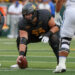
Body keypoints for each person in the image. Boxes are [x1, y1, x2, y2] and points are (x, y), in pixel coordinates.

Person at [11, 3, 60, 68]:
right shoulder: (22, 23)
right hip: (32, 36)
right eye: (25, 15)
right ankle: (22, 59)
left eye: (28, 14)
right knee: (19, 39)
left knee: (54, 38)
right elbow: (23, 39)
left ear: (34, 13)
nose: (26, 16)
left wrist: (47, 35)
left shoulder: (44, 14)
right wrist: (21, 55)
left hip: (46, 34)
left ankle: (60, 63)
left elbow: (56, 27)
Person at [53, 0, 75, 73]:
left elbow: (59, 1)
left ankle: (61, 65)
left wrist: (57, 13)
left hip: (71, 10)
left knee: (65, 40)